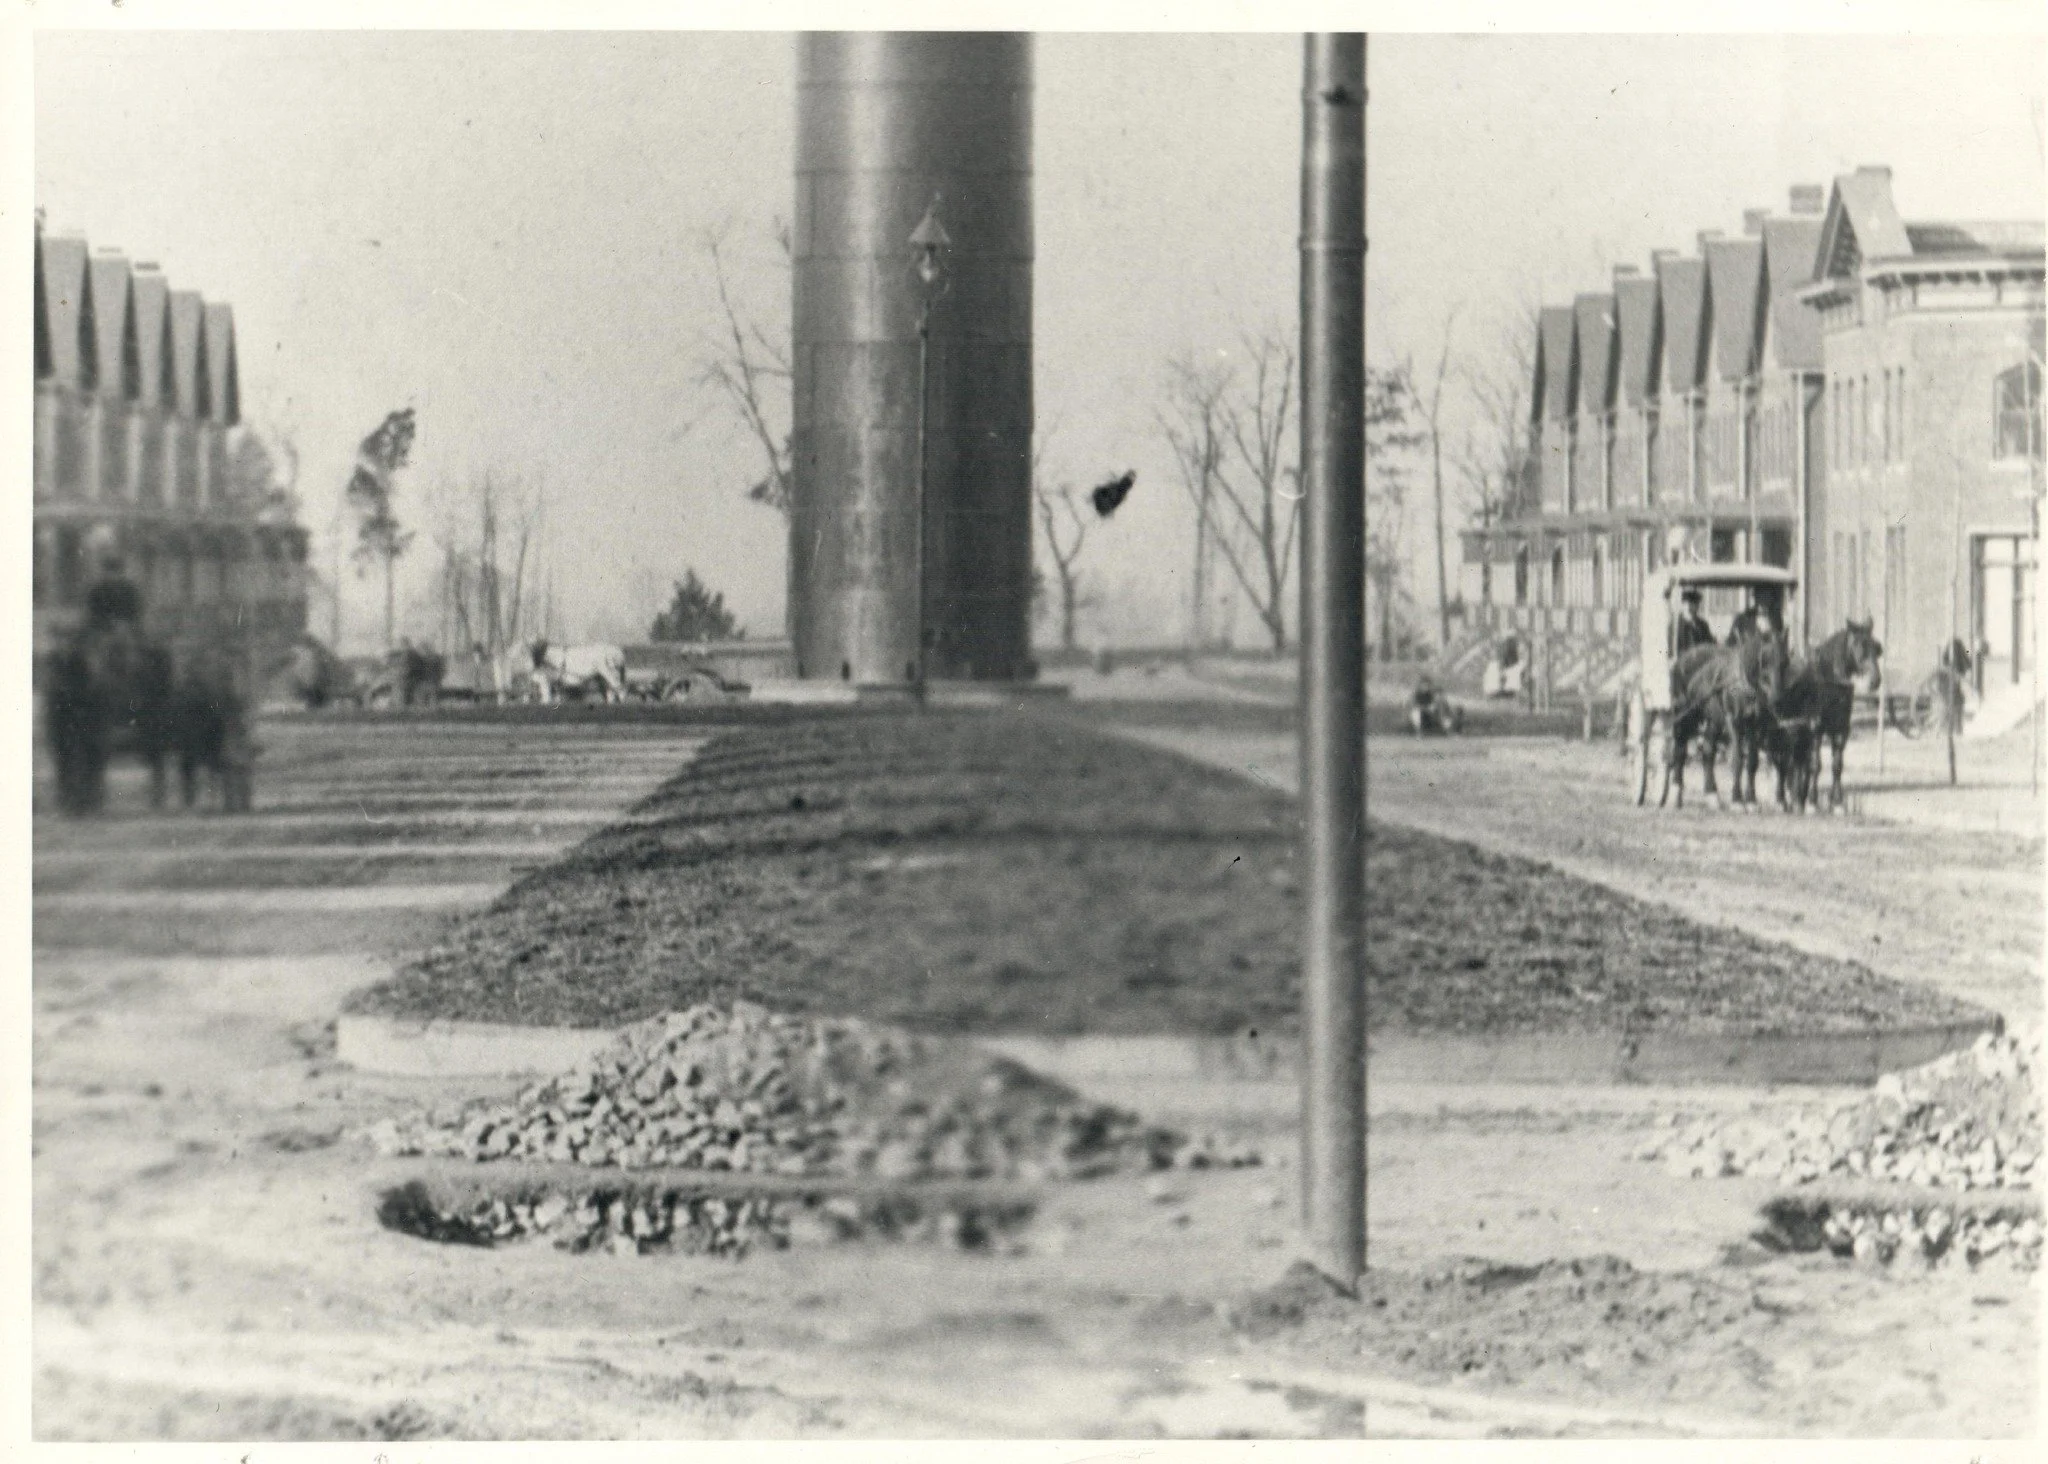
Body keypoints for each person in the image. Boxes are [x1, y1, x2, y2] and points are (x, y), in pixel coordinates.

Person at [1675, 589, 1714, 654]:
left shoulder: (1703, 625)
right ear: (1682, 606)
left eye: (1692, 604)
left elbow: (1710, 645)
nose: (1689, 607)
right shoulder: (1676, 625)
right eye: (1686, 604)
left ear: (1697, 606)